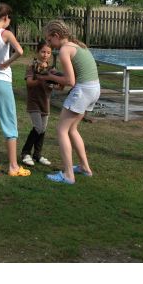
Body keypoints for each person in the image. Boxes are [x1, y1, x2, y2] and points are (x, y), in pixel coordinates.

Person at [40, 20, 100, 184]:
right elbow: (74, 75)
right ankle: (84, 167)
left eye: (49, 40)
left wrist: (49, 76)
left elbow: (70, 81)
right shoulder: (77, 45)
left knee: (61, 130)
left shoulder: (65, 50)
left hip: (83, 90)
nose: (49, 44)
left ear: (56, 35)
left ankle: (68, 175)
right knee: (72, 129)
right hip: (94, 89)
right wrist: (56, 75)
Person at [0, 3, 30, 177]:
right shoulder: (6, 34)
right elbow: (20, 51)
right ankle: (13, 166)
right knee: (9, 121)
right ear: (5, 17)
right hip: (2, 80)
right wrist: (7, 63)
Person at [20, 40, 60, 167]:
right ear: (37, 52)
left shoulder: (52, 70)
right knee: (38, 127)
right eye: (43, 52)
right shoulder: (31, 67)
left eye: (48, 52)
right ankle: (25, 153)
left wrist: (58, 82)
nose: (45, 55)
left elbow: (58, 87)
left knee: (43, 129)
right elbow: (29, 83)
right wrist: (42, 78)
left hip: (45, 103)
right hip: (34, 102)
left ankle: (37, 155)